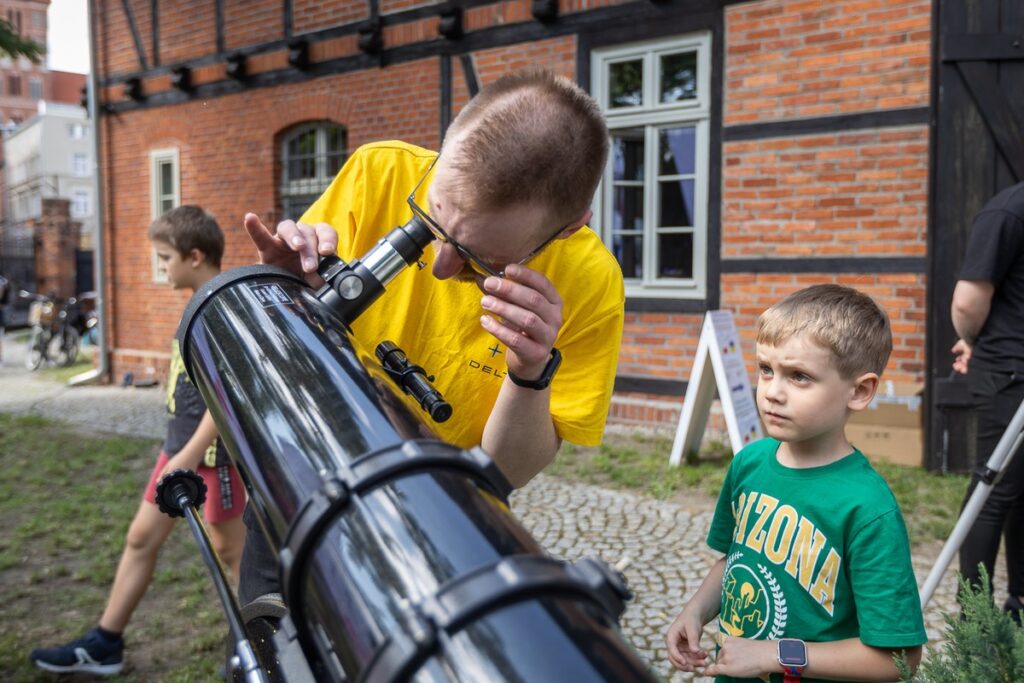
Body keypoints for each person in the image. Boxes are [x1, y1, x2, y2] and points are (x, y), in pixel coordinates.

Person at [239, 68, 624, 606]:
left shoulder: (591, 281)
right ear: (443, 152)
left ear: (568, 228)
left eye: (480, 259)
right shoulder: (380, 172)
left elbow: (504, 474)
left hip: (440, 520)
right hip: (308, 473)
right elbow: (273, 356)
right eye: (428, 222)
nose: (441, 267)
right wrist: (281, 290)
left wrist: (530, 374)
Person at [665, 284, 925, 682]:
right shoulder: (749, 464)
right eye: (766, 369)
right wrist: (696, 612)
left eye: (799, 376)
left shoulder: (868, 509)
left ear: (860, 391)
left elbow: (899, 659)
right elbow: (735, 558)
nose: (772, 392)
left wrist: (776, 654)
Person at [30, 206, 248, 675]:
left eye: (165, 257)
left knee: (235, 554)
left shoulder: (218, 307)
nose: (161, 267)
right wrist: (176, 452)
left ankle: (269, 645)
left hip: (210, 458)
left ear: (195, 255)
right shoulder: (196, 300)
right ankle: (106, 643)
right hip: (179, 454)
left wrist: (187, 456)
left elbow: (227, 398)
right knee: (140, 539)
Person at [951, 180, 1024, 624]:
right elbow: (968, 301)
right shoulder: (1009, 210)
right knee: (994, 489)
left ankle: (1018, 603)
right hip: (1012, 372)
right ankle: (975, 617)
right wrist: (971, 339)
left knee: (1020, 490)